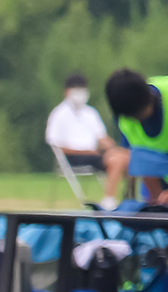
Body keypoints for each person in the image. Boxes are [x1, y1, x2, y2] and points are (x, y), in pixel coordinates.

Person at [104, 69, 168, 207]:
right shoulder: (125, 116)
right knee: (154, 208)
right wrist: (159, 202)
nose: (137, 120)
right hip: (161, 161)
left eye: (139, 115)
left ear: (149, 101)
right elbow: (142, 159)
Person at [44, 73, 128, 209]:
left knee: (126, 157)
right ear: (67, 92)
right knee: (116, 161)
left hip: (94, 154)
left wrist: (115, 149)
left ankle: (129, 199)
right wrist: (86, 151)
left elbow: (102, 138)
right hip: (73, 156)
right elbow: (56, 144)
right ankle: (109, 201)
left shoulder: (90, 113)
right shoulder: (58, 114)